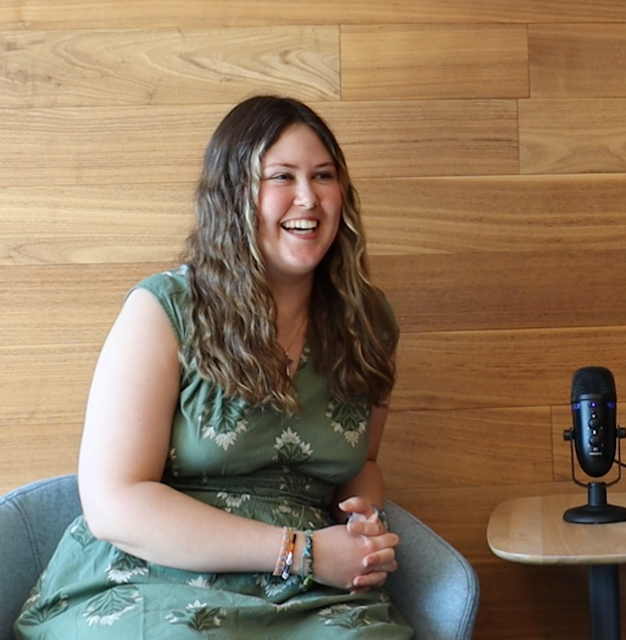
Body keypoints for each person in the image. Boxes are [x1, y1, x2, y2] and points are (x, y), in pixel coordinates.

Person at [15, 96, 412, 638]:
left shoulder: (370, 324)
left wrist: (365, 523)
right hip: (155, 577)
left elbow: (360, 463)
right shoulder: (164, 310)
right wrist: (302, 551)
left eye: (323, 175)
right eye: (281, 176)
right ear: (233, 196)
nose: (308, 198)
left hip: (306, 598)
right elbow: (114, 504)